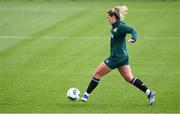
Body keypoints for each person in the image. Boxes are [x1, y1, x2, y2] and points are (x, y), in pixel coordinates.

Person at [81, 6, 155, 105]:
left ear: (113, 17)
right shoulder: (115, 26)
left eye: (108, 18)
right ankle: (149, 93)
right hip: (123, 58)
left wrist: (133, 38)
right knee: (129, 78)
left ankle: (86, 95)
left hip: (116, 58)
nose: (107, 20)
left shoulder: (121, 27)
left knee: (97, 74)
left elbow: (134, 31)